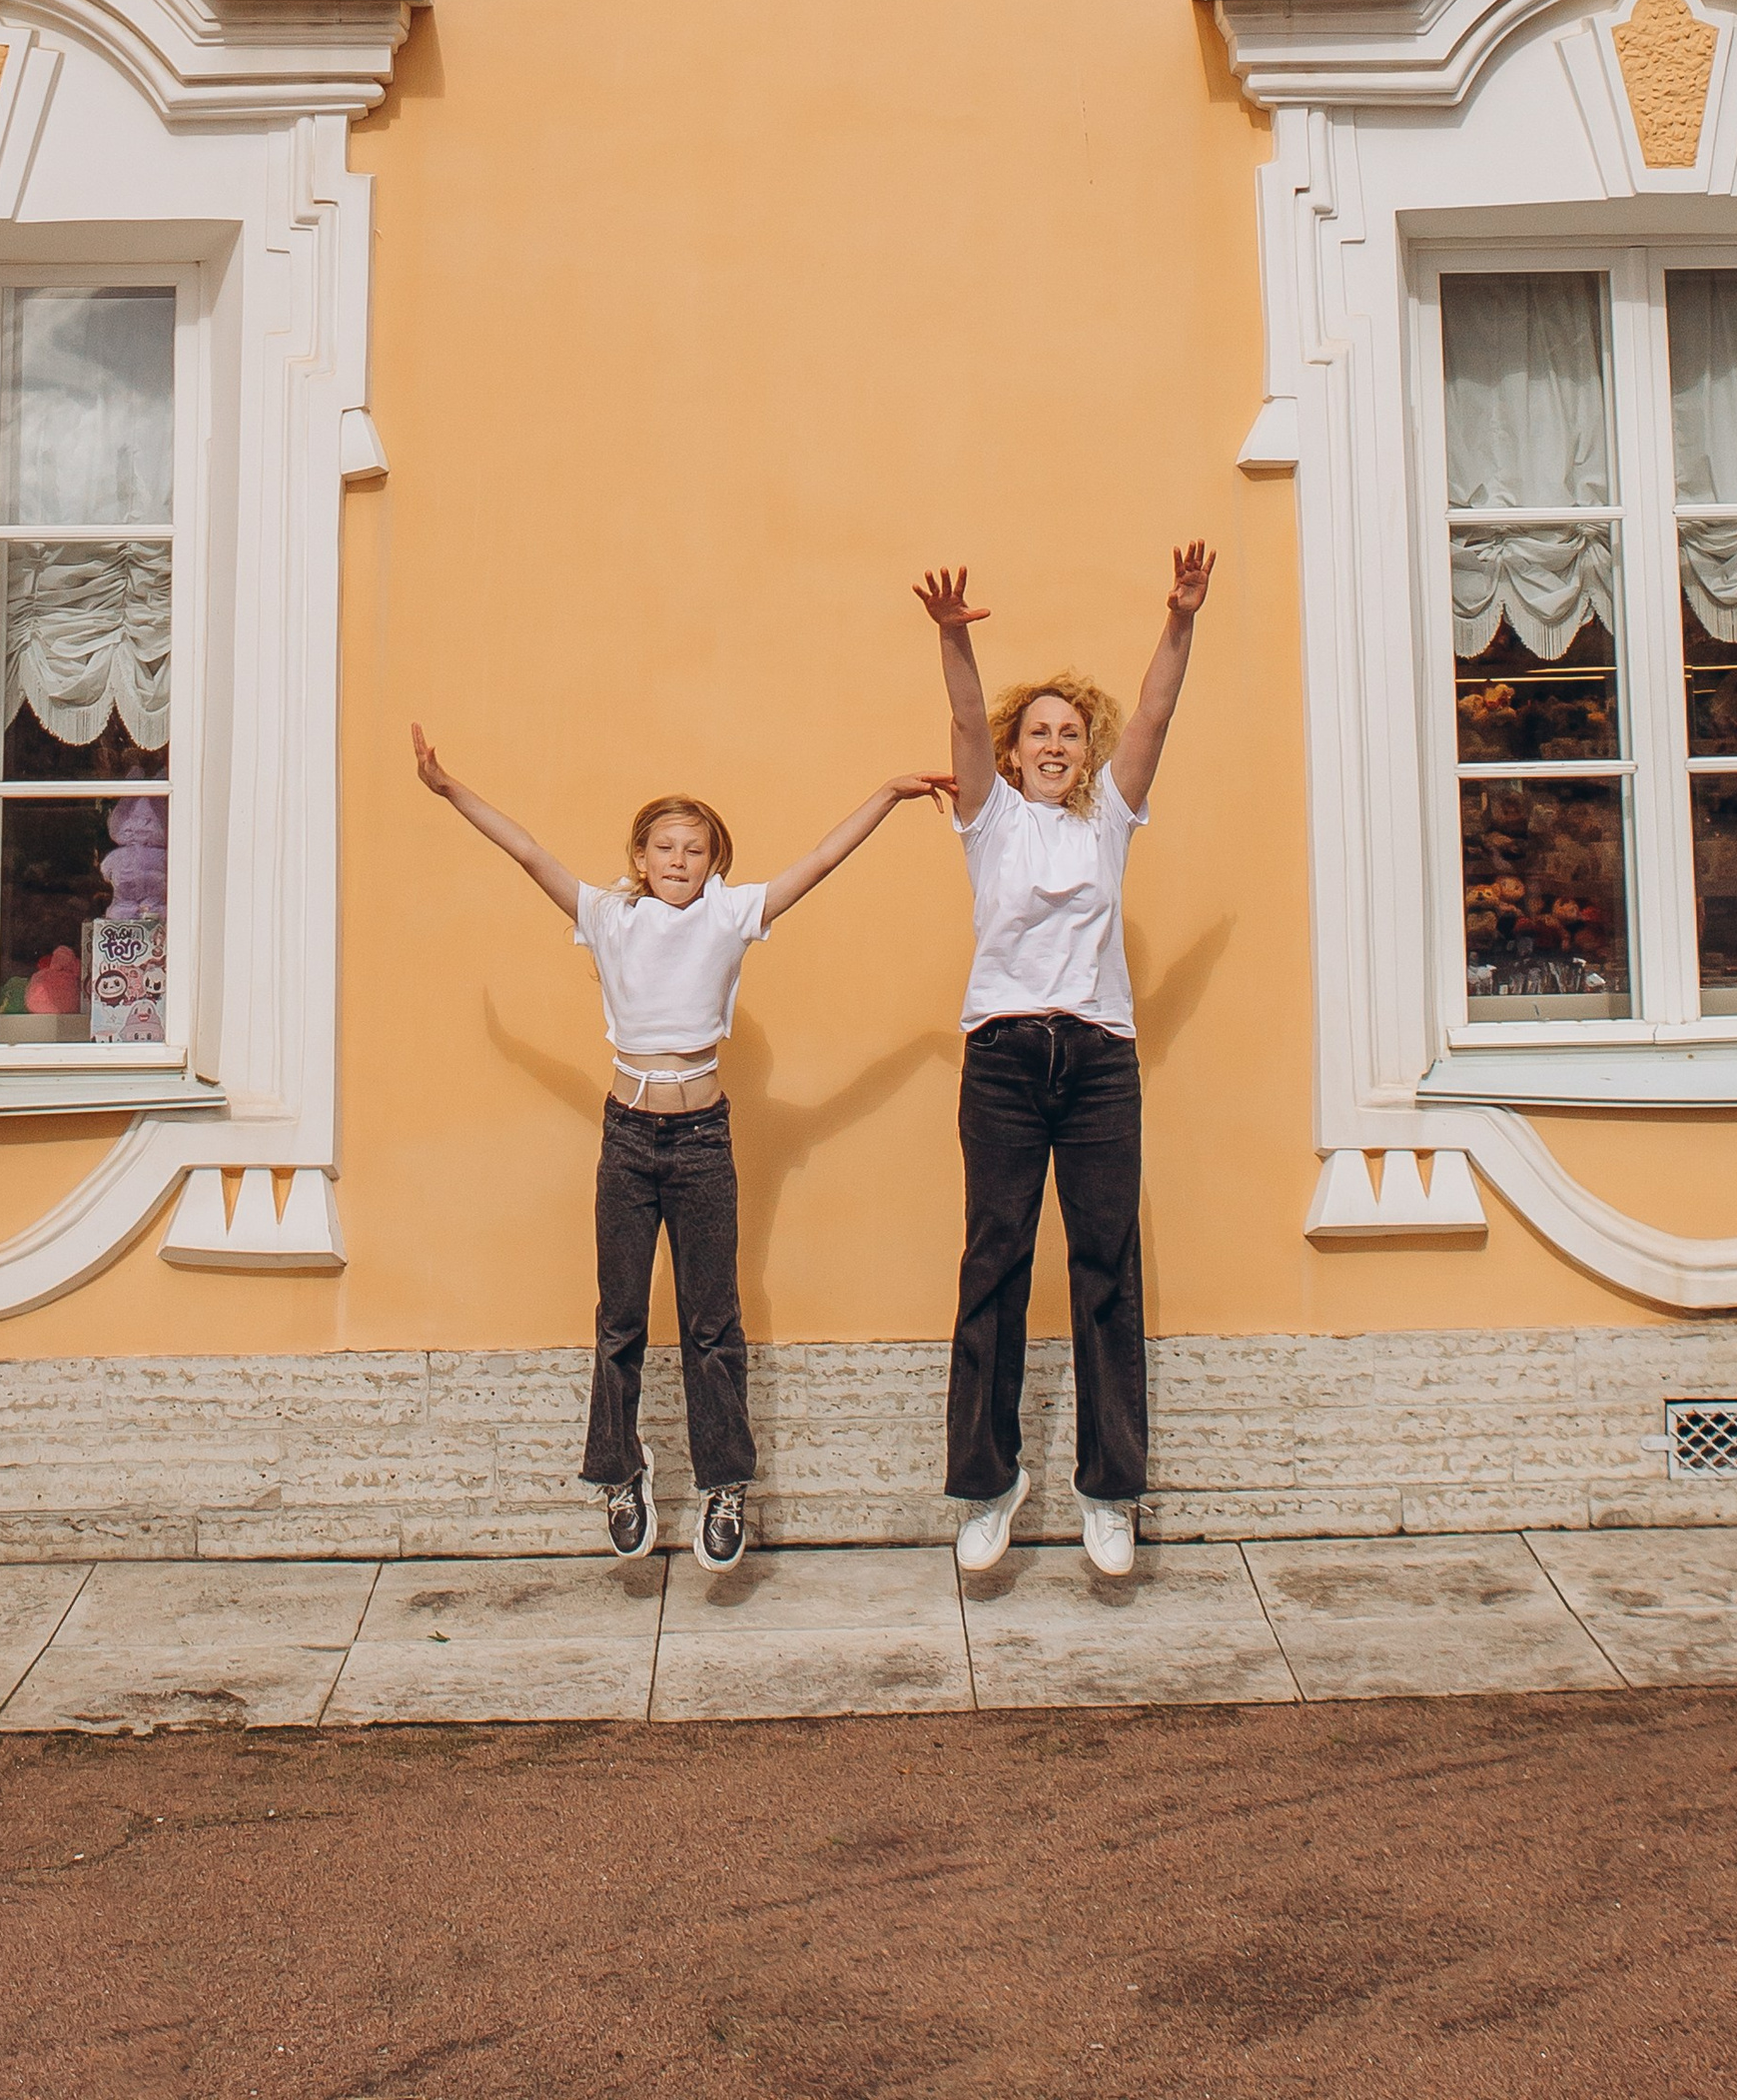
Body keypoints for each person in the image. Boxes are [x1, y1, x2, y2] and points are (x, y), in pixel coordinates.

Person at [411, 724, 951, 1568]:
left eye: (694, 849)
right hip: (627, 1138)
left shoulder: (732, 916)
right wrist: (448, 789)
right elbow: (525, 851)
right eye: (664, 846)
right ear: (640, 853)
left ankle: (723, 1486)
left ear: (714, 862)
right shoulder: (608, 915)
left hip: (702, 1141)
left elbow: (818, 861)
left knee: (711, 1322)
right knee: (620, 1318)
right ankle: (621, 1471)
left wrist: (886, 794)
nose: (678, 859)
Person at [915, 542, 1216, 1577]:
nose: (1054, 743)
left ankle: (1110, 1490)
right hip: (1001, 1059)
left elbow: (1156, 713)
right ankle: (986, 1485)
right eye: (1036, 731)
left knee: (1104, 1269)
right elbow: (958, 717)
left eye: (1068, 732)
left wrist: (1179, 618)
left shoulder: (1109, 822)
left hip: (1095, 1061)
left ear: (1085, 752)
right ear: (1011, 750)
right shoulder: (986, 818)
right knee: (992, 1264)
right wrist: (953, 639)